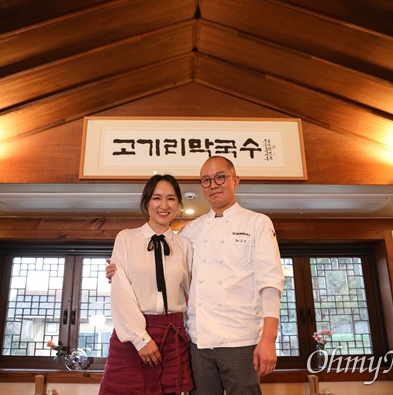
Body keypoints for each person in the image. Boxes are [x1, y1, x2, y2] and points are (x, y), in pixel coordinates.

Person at [108, 156, 285, 395]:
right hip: (197, 340)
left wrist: (269, 339)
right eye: (206, 180)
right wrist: (116, 272)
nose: (213, 185)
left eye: (220, 177)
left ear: (236, 180)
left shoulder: (258, 223)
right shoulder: (191, 231)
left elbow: (271, 282)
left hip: (241, 339)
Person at [98, 174, 194, 395]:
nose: (164, 205)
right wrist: (140, 339)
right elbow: (120, 292)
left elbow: (194, 292)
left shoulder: (185, 245)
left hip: (173, 336)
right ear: (146, 202)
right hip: (132, 335)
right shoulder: (126, 238)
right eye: (156, 198)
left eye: (171, 199)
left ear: (178, 203)